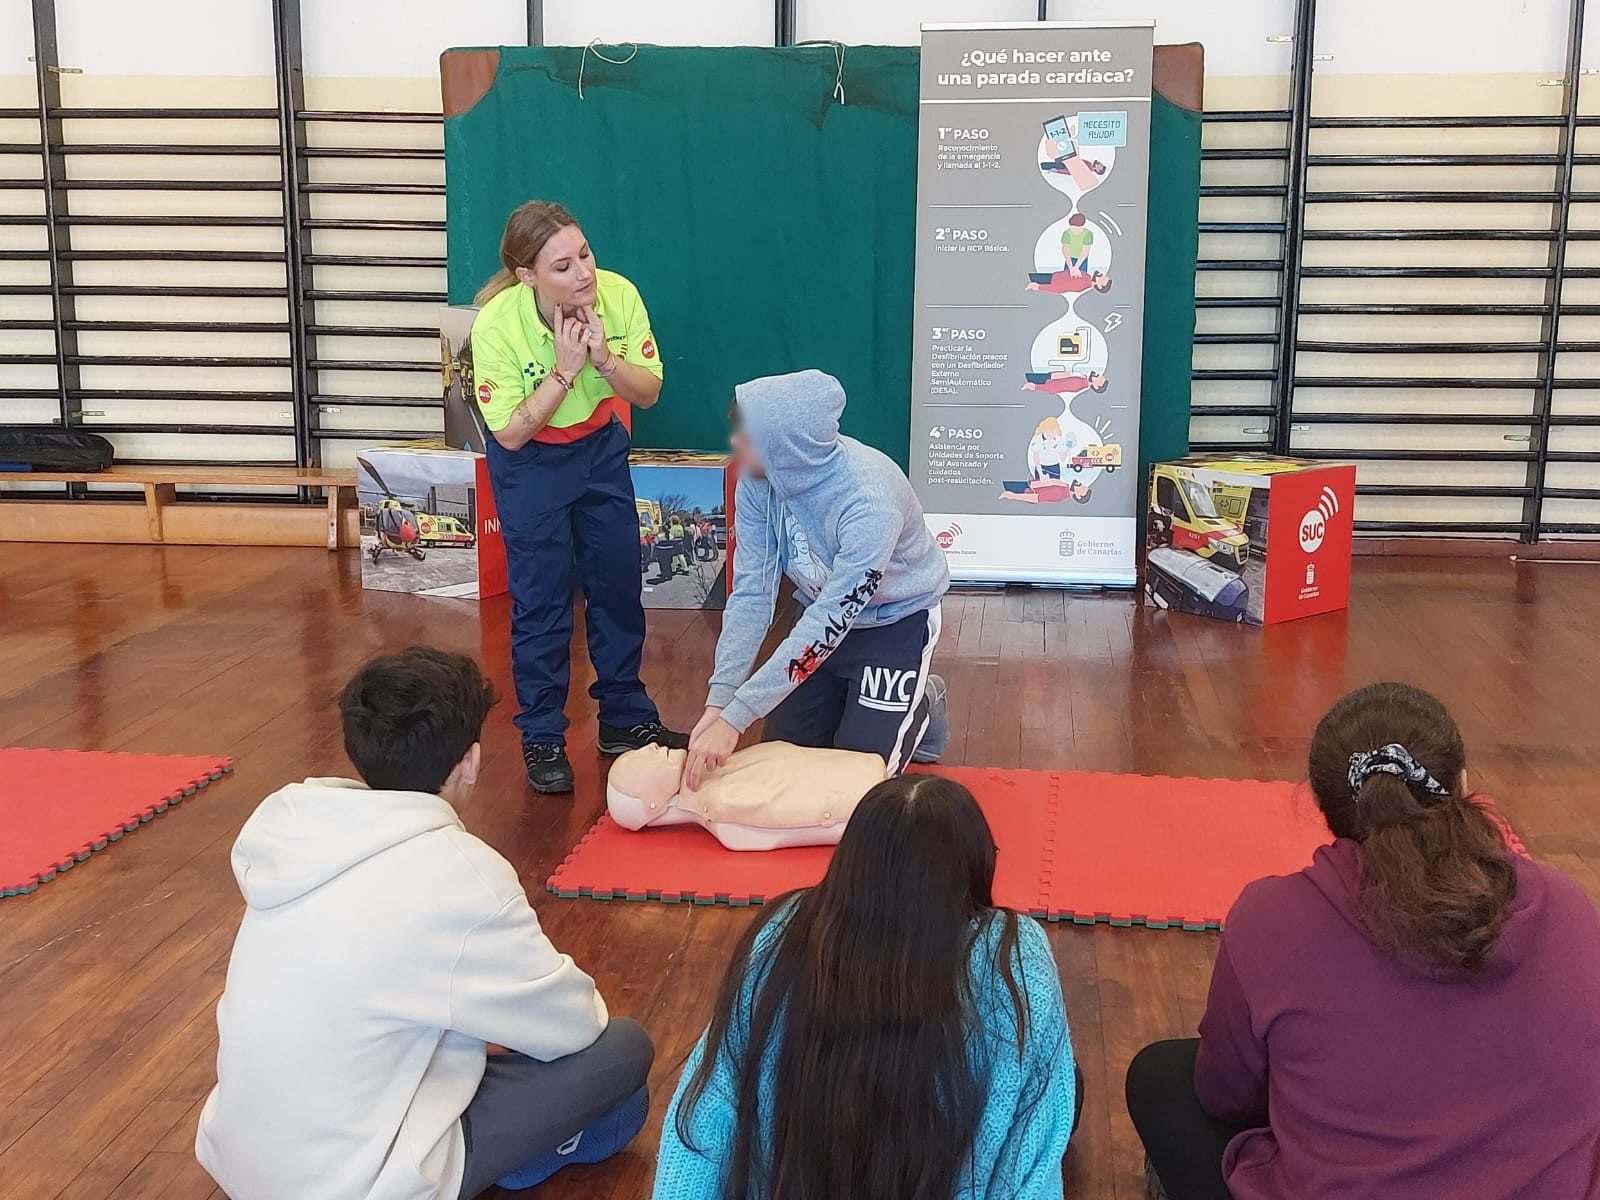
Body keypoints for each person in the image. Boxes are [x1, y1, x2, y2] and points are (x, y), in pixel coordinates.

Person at [195, 647, 655, 1200]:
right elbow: (577, 1028)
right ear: (470, 761)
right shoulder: (460, 873)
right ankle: (515, 1159)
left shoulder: (292, 830)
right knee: (625, 1054)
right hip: (351, 1185)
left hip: (240, 1158)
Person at [1126, 682, 1600, 1200]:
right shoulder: (1569, 907)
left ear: (1323, 806)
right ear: (1462, 784)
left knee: (1161, 1075)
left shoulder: (1270, 921)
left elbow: (1225, 1094)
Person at [653, 774, 1078, 1199]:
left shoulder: (783, 928)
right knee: (1065, 1089)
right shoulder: (1014, 953)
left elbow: (705, 1114)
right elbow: (1033, 1157)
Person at [470, 199, 685, 795]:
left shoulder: (618, 296)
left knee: (617, 584)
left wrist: (604, 360)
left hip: (597, 449)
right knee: (542, 602)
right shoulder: (496, 324)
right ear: (528, 276)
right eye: (562, 266)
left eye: (584, 254)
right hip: (530, 462)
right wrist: (564, 371)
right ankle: (542, 734)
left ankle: (625, 718)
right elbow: (510, 432)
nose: (584, 273)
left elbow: (646, 394)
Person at [684, 370, 951, 788]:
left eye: (749, 438)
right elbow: (752, 594)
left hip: (894, 622)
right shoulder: (757, 480)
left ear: (789, 448)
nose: (735, 444)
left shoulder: (869, 501)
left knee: (859, 784)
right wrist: (721, 701)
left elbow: (833, 619)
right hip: (817, 615)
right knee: (783, 761)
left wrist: (738, 717)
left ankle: (923, 699)